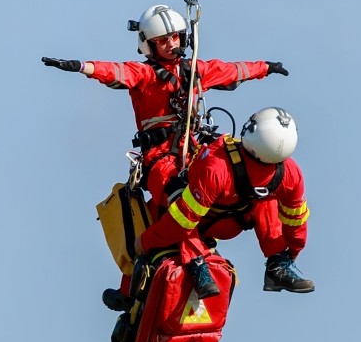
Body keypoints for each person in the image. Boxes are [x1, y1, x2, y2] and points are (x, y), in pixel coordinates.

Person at [41, 4, 289, 217]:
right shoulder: (144, 75)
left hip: (195, 149)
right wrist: (82, 66)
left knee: (240, 174)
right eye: (162, 40)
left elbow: (233, 71)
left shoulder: (195, 71)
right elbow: (114, 71)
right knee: (177, 202)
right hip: (159, 158)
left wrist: (266, 67)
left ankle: (276, 258)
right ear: (150, 44)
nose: (170, 44)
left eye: (174, 37)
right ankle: (192, 259)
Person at [134, 107, 314, 299]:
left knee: (178, 199)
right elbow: (296, 223)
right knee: (267, 199)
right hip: (234, 223)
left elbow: (181, 223)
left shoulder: (216, 167)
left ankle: (197, 263)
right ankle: (278, 265)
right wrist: (291, 254)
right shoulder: (291, 173)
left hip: (201, 223)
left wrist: (145, 242)